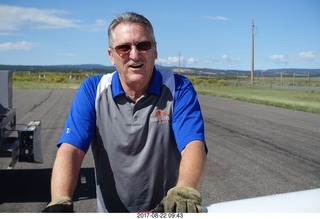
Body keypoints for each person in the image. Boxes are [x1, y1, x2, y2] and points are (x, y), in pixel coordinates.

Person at [42, 11, 207, 213]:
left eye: (143, 45)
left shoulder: (178, 88)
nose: (134, 55)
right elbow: (71, 149)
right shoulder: (93, 90)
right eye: (124, 48)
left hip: (164, 213)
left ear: (155, 51)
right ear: (111, 56)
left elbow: (193, 144)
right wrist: (60, 199)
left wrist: (185, 191)